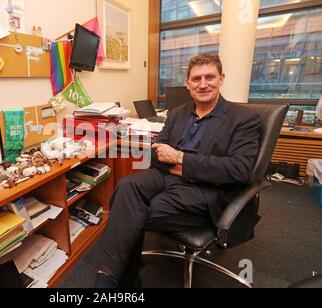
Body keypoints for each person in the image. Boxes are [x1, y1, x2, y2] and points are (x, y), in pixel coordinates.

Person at [94, 53, 262, 288]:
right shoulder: (177, 113)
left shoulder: (243, 118)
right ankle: (117, 281)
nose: (203, 84)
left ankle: (111, 283)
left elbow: (239, 169)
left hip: (205, 189)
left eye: (210, 77)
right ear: (188, 84)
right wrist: (169, 159)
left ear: (221, 79)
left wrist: (180, 158)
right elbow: (156, 151)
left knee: (131, 213)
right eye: (196, 79)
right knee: (125, 186)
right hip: (166, 175)